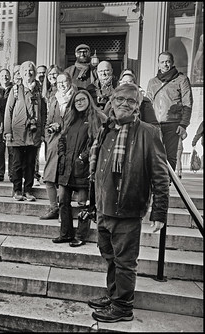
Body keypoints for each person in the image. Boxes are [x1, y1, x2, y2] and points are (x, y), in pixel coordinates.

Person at [88, 83, 169, 323]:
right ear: (112, 101)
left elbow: (160, 176)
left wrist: (159, 212)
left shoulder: (148, 132)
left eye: (131, 101)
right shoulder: (106, 129)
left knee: (124, 261)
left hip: (128, 208)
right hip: (104, 206)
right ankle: (114, 295)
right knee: (110, 256)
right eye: (120, 99)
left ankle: (123, 307)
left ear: (137, 106)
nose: (124, 104)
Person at [53, 90, 106, 246]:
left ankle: (81, 235)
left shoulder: (95, 119)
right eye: (77, 101)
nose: (80, 102)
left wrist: (83, 157)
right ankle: (66, 233)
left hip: (83, 168)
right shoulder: (70, 118)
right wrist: (62, 154)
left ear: (89, 100)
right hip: (66, 167)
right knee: (63, 201)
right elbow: (61, 138)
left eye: (83, 99)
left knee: (83, 203)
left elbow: (96, 142)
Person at [3, 61, 45, 201]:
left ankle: (28, 190)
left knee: (30, 163)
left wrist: (43, 131)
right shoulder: (15, 89)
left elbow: (43, 112)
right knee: (17, 163)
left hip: (34, 132)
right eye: (25, 70)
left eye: (31, 70)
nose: (28, 72)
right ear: (21, 73)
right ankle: (16, 190)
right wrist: (7, 131)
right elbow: (8, 111)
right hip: (18, 132)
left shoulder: (39, 91)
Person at [146, 51, 193, 171]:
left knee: (170, 156)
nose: (165, 64)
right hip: (155, 124)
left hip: (173, 124)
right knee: (154, 155)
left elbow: (187, 104)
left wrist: (183, 124)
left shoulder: (182, 79)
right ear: (158, 64)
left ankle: (166, 183)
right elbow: (148, 103)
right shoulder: (153, 82)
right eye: (162, 62)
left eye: (168, 61)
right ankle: (156, 182)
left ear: (172, 63)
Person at [41, 72, 77, 219]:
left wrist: (63, 128)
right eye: (59, 82)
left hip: (69, 144)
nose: (62, 84)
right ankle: (53, 208)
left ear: (70, 81)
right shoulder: (54, 99)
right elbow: (48, 121)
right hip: (54, 143)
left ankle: (63, 210)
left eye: (65, 81)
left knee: (63, 179)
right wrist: (49, 133)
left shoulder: (76, 98)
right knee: (49, 177)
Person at [0, 68, 13, 182]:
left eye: (7, 75)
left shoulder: (14, 89)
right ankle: (0, 172)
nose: (5, 77)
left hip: (12, 123)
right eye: (2, 76)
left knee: (11, 150)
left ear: (10, 77)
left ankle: (12, 173)